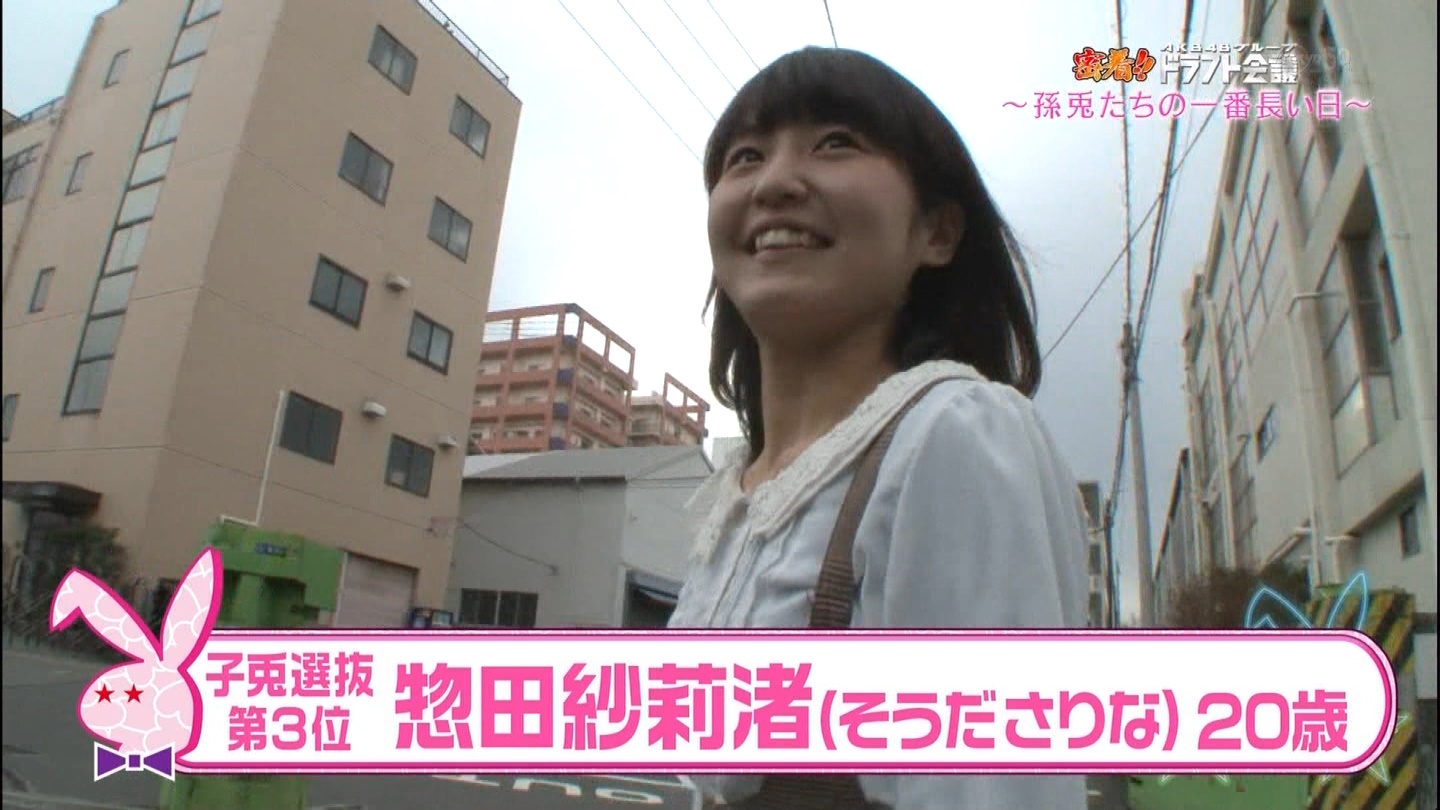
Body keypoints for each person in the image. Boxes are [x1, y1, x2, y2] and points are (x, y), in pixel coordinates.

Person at [666, 47, 1092, 810]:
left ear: (938, 233)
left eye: (836, 143)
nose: (774, 182)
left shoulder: (954, 434)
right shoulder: (737, 500)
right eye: (745, 157)